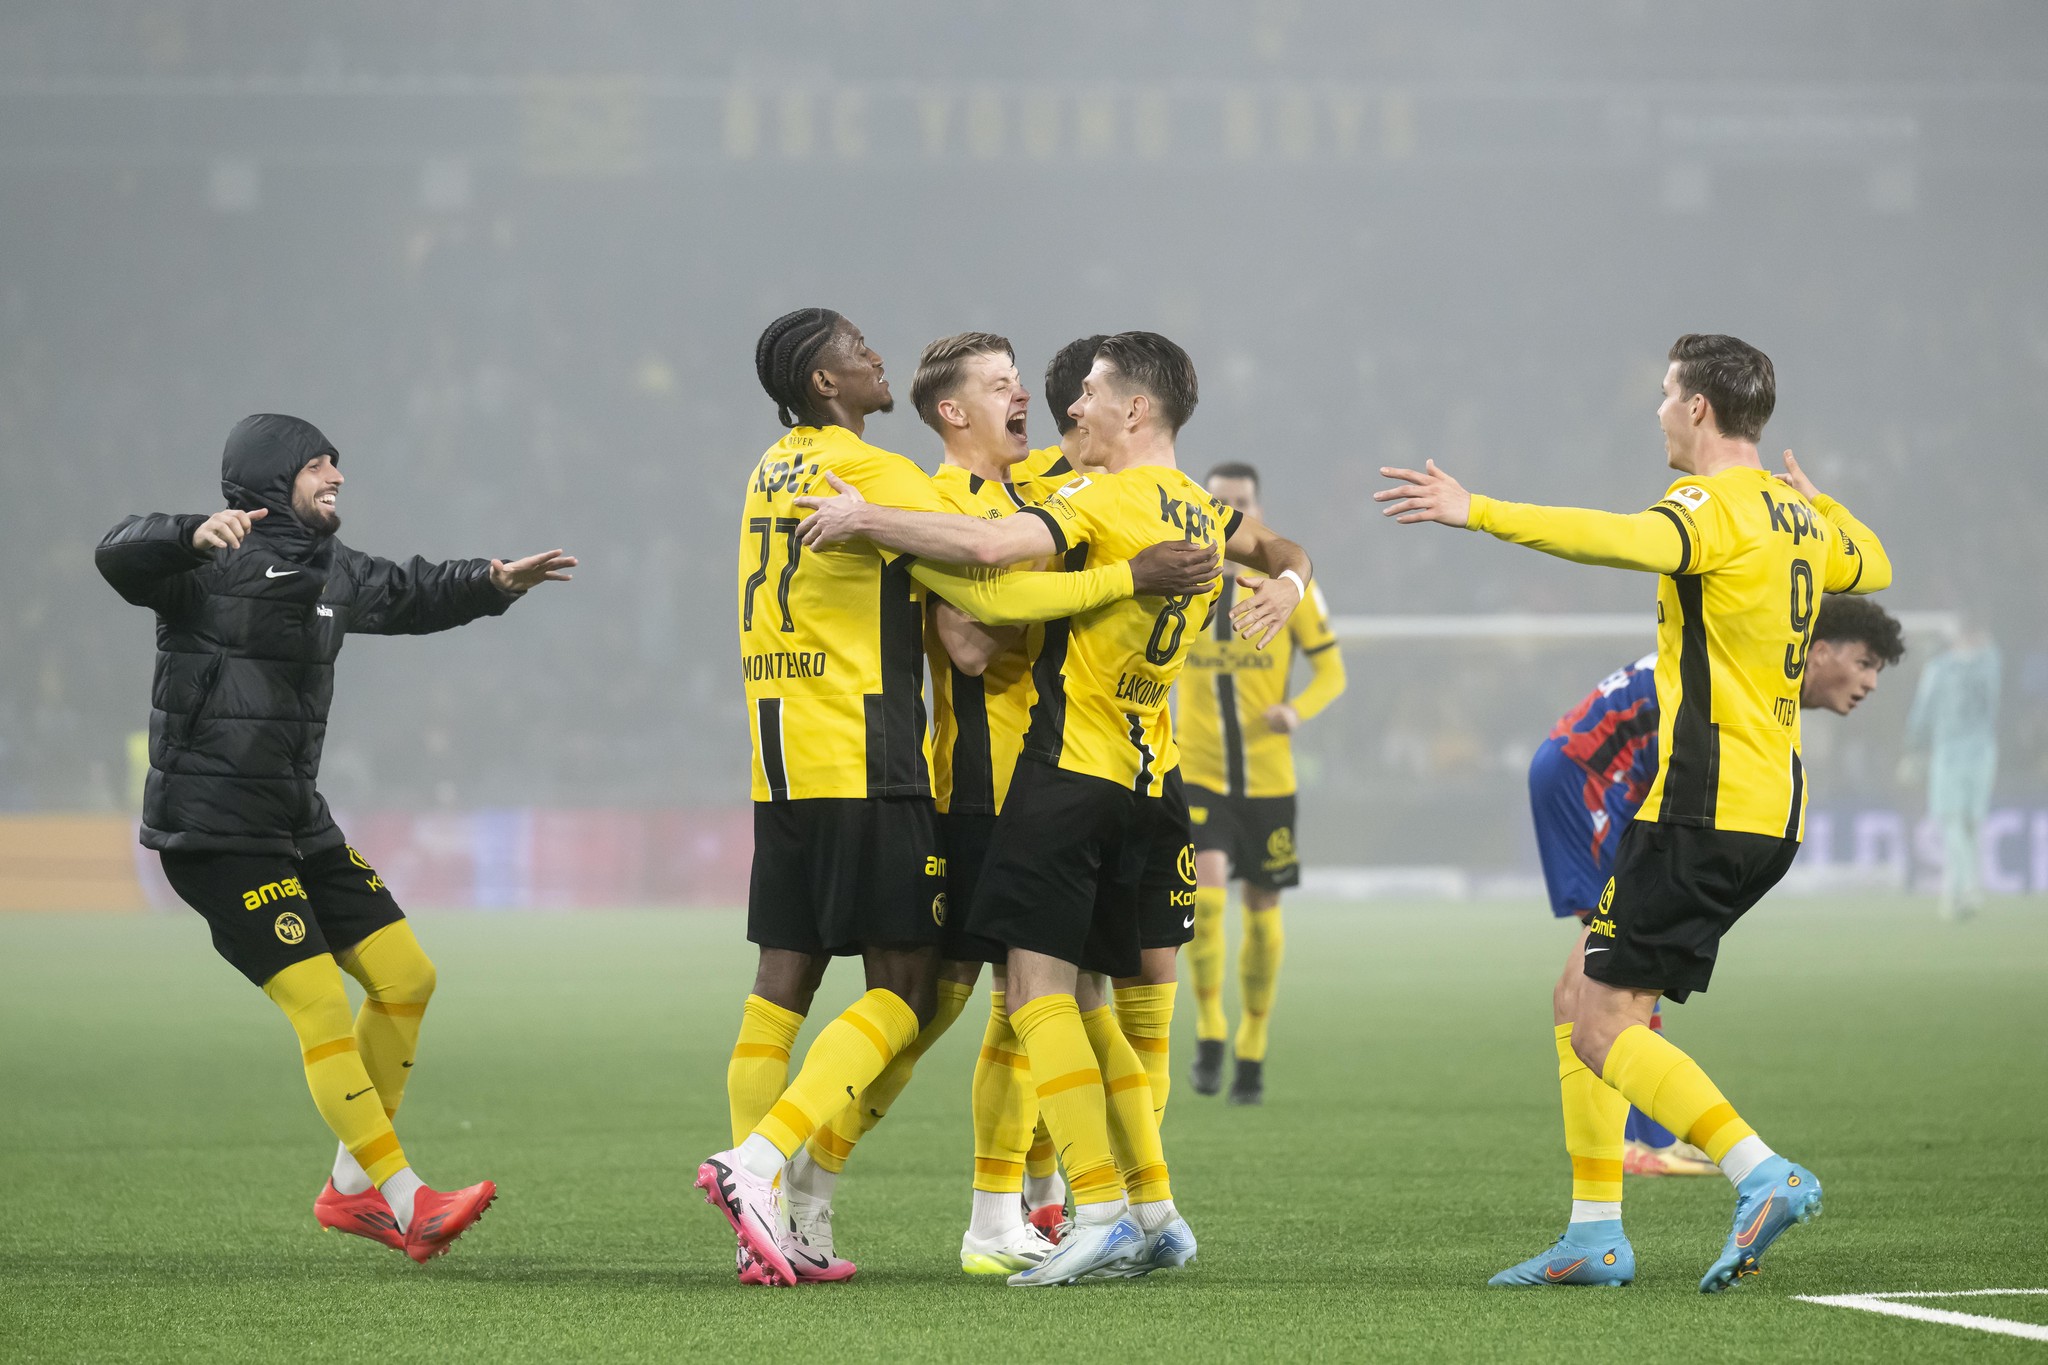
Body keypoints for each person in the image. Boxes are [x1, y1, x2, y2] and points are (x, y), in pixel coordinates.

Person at [699, 312, 1214, 1288]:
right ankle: (830, 1184)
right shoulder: (931, 498)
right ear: (951, 410)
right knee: (956, 1008)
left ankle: (1046, 1209)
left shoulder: (1048, 491)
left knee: (1041, 1003)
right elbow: (975, 643)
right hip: (979, 786)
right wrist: (1107, 584)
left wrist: (1287, 577)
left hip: (1066, 777)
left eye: (1020, 378)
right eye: (998, 382)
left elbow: (1218, 535)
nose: (1024, 395)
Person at [1376, 333, 1891, 1292]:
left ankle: (1759, 1171)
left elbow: (1616, 539)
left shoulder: (1708, 506)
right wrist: (1820, 500)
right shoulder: (1798, 519)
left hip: (1698, 807)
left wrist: (1475, 510)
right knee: (1580, 995)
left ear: (1698, 408)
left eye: (1664, 393)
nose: (1655, 409)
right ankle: (1595, 1231)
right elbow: (1878, 563)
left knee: (1606, 1027)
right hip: (1767, 810)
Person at [797, 331, 1313, 1285]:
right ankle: (1150, 1207)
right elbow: (1279, 545)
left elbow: (992, 556)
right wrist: (1289, 583)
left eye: (1090, 395)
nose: (1066, 406)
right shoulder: (1198, 506)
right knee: (1095, 1009)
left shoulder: (1094, 494)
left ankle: (1096, 1206)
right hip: (1148, 782)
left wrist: (869, 519)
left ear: (1136, 412)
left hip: (1063, 778)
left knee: (1034, 998)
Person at [94, 413, 575, 1263]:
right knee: (319, 1000)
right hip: (213, 830)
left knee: (407, 977)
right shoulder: (199, 566)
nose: (337, 477)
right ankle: (404, 1195)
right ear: (273, 477)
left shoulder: (334, 569)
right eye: (319, 464)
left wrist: (494, 581)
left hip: (293, 819)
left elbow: (418, 592)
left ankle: (349, 1187)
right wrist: (184, 532)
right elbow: (116, 552)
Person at [1529, 596, 1905, 1176]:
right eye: (1866, 662)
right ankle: (1646, 1143)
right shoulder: (1750, 679)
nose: (1871, 682)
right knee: (1608, 966)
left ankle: (1642, 1142)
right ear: (1819, 648)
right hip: (1590, 780)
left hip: (1607, 778)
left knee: (1613, 968)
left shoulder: (1751, 668)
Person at [1180, 462, 1348, 1107]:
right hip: (1198, 771)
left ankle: (1252, 1040)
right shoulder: (1181, 582)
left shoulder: (1286, 588)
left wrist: (1296, 711)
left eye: (1240, 504)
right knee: (1209, 892)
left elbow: (1333, 673)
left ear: (1255, 510)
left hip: (1269, 777)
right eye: (1218, 503)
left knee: (1262, 912)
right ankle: (1211, 1031)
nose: (1229, 514)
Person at [1904, 621, 2001, 920]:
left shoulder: (1939, 669)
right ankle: (1957, 892)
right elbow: (1994, 703)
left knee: (1952, 822)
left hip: (1948, 753)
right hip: (1983, 752)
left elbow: (1921, 713)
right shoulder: (1989, 665)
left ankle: (1966, 887)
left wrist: (1912, 747)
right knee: (1971, 823)